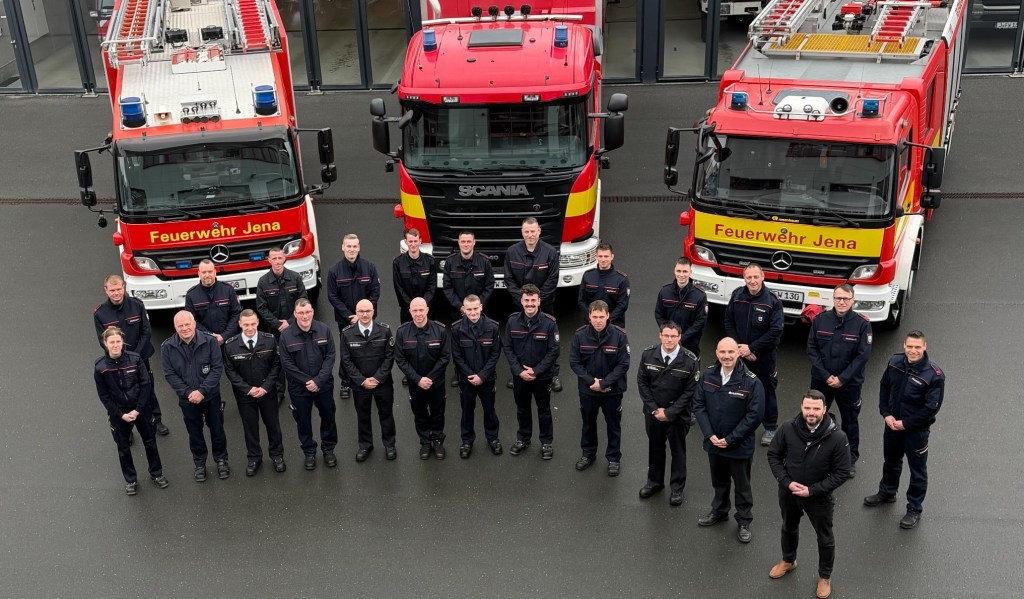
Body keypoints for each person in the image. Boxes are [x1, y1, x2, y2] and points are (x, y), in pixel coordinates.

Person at [767, 390, 853, 599]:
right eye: (807, 408)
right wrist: (786, 483)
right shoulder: (788, 428)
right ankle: (788, 560)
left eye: (816, 408)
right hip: (789, 493)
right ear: (801, 407)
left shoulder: (838, 437)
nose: (811, 412)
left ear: (824, 409)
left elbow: (842, 472)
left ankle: (824, 576)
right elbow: (774, 455)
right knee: (788, 527)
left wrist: (812, 490)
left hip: (819, 498)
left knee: (825, 538)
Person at [864, 330, 945, 530]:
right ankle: (887, 492)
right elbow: (884, 387)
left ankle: (914, 508)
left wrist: (906, 423)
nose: (913, 351)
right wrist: (886, 414)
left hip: (915, 431)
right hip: (892, 425)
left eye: (917, 347)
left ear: (924, 347)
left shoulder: (934, 375)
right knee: (891, 461)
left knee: (918, 471)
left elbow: (930, 408)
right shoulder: (894, 363)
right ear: (904, 346)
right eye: (909, 346)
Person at [692, 337, 765, 544]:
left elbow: (755, 416)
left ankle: (744, 521)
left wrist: (730, 439)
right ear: (717, 353)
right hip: (714, 444)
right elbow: (698, 405)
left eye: (731, 352)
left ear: (738, 353)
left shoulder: (751, 381)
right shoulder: (707, 375)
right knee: (719, 482)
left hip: (738, 447)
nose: (726, 356)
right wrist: (709, 434)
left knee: (742, 486)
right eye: (722, 352)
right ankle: (719, 511)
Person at [805, 284, 872, 475]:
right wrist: (826, 376)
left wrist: (842, 379)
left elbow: (862, 356)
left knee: (850, 421)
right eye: (838, 298)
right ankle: (814, 453)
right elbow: (812, 350)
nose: (841, 302)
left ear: (853, 301)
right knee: (814, 417)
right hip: (821, 381)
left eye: (845, 299)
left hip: (849, 384)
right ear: (833, 299)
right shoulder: (820, 320)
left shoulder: (862, 324)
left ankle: (849, 460)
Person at [94, 327, 168, 495]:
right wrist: (120, 414)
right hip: (118, 414)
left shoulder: (135, 359)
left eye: (118, 341)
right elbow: (104, 396)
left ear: (122, 342)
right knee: (123, 448)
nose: (115, 345)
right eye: (111, 342)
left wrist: (138, 410)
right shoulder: (100, 368)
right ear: (105, 344)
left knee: (150, 442)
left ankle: (157, 474)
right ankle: (131, 480)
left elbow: (145, 385)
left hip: (141, 411)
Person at [93, 274, 169, 435]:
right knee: (119, 393)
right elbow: (103, 341)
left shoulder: (137, 305)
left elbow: (146, 332)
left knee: (147, 388)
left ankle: (156, 420)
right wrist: (123, 356)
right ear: (106, 290)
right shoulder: (100, 314)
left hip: (141, 358)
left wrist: (133, 357)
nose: (116, 293)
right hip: (116, 363)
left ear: (124, 287)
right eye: (112, 290)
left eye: (119, 289)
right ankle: (125, 427)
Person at [161, 310, 231, 482]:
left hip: (211, 397)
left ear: (193, 324)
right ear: (175, 327)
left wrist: (202, 391)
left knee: (217, 430)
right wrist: (188, 393)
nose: (185, 328)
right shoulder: (168, 347)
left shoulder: (209, 341)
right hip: (187, 400)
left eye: (187, 324)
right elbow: (170, 374)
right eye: (180, 325)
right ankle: (200, 464)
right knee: (194, 433)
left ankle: (221, 460)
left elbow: (216, 369)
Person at [636, 322, 699, 505]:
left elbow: (690, 392)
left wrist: (670, 413)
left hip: (678, 416)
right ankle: (654, 482)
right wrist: (655, 409)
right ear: (660, 336)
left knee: (678, 452)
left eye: (673, 336)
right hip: (654, 414)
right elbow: (642, 383)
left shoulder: (690, 360)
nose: (669, 339)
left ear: (679, 337)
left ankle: (677, 489)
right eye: (666, 335)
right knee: (655, 448)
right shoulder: (648, 355)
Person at [724, 262, 783, 446]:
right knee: (736, 389)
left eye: (755, 277)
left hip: (763, 356)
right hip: (740, 354)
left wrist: (752, 348)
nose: (752, 281)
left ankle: (770, 427)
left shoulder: (772, 301)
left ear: (763, 277)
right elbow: (728, 321)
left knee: (766, 390)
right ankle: (737, 425)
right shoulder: (737, 296)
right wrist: (740, 349)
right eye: (748, 277)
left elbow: (775, 331)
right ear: (744, 278)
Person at [570, 300, 631, 477]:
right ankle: (588, 454)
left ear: (608, 316)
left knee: (613, 424)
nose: (598, 321)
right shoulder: (580, 335)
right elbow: (574, 362)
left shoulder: (619, 336)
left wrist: (603, 384)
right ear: (589, 317)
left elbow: (623, 364)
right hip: (588, 390)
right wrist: (592, 382)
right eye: (595, 317)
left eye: (601, 317)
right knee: (588, 423)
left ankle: (613, 459)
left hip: (613, 391)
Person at [223, 310, 285, 476]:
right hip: (245, 396)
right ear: (240, 324)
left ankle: (277, 455)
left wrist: (265, 387)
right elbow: (230, 372)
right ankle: (254, 457)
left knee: (273, 425)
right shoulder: (230, 345)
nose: (249, 328)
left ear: (257, 323)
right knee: (250, 427)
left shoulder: (269, 340)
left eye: (252, 324)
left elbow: (276, 366)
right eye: (246, 324)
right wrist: (248, 389)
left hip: (267, 393)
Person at [278, 298, 338, 471]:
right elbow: (287, 364)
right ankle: (309, 452)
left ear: (312, 312)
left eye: (308, 312)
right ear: (295, 314)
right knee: (303, 422)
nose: (305, 316)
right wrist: (306, 381)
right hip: (299, 389)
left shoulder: (324, 330)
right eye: (301, 313)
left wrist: (318, 381)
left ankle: (328, 450)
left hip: (323, 386)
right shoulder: (286, 336)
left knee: (328, 418)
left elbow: (330, 356)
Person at [502, 284, 560, 460]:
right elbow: (508, 348)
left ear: (539, 301)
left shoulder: (549, 323)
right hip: (520, 376)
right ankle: (523, 439)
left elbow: (554, 351)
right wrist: (519, 371)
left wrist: (536, 370)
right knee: (522, 408)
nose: (529, 304)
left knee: (544, 409)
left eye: (533, 300)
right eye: (526, 300)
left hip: (542, 376)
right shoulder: (512, 321)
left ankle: (546, 443)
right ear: (521, 301)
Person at [338, 299, 397, 462]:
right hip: (360, 385)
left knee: (386, 414)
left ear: (373, 312)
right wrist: (362, 380)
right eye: (361, 311)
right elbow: (346, 360)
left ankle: (389, 445)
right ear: (356, 313)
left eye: (368, 311)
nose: (364, 314)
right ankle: (365, 445)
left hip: (382, 383)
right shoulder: (347, 333)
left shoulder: (385, 331)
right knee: (362, 415)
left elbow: (389, 357)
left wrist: (377, 378)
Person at [395, 297, 451, 460]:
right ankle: (425, 442)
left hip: (436, 383)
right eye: (415, 310)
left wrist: (430, 378)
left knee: (438, 412)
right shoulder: (402, 332)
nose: (418, 313)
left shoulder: (440, 330)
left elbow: (445, 357)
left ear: (427, 310)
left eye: (421, 310)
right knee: (419, 413)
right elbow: (400, 359)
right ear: (410, 312)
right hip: (415, 383)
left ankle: (437, 440)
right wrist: (418, 379)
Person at [327, 233, 381, 400]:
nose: (351, 249)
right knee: (347, 351)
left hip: (367, 319)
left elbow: (375, 292)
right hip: (346, 320)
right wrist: (350, 316)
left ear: (359, 248)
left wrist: (364, 313)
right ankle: (345, 381)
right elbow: (332, 296)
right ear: (343, 247)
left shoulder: (369, 267)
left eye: (354, 246)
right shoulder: (334, 271)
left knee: (370, 349)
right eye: (348, 246)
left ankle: (370, 377)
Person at [450, 294, 503, 458]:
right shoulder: (457, 329)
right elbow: (457, 356)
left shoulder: (493, 327)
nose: (472, 312)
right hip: (466, 380)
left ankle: (493, 439)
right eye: (469, 309)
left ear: (481, 307)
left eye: (475, 308)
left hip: (487, 379)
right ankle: (467, 442)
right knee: (467, 411)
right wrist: (470, 375)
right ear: (464, 310)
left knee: (490, 410)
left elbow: (495, 354)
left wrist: (482, 375)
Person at [255, 246, 308, 402]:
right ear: (269, 260)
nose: (277, 261)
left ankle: (300, 387)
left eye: (280, 258)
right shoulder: (263, 282)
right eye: (274, 258)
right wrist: (278, 324)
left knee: (299, 357)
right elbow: (261, 307)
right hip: (275, 329)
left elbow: (303, 301)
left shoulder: (295, 278)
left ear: (284, 259)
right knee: (277, 360)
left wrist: (291, 321)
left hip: (295, 326)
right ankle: (279, 392)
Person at [654, 258, 708, 357]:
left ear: (690, 273)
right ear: (674, 271)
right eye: (679, 271)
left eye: (685, 271)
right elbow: (658, 314)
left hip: (690, 343)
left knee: (691, 371)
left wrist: (681, 337)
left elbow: (701, 321)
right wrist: (669, 333)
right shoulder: (665, 291)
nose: (681, 275)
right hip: (669, 341)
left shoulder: (699, 295)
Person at [505, 217, 559, 315]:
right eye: (526, 232)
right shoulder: (511, 252)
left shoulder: (551, 252)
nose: (530, 235)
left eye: (533, 231)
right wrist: (523, 299)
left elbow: (553, 279)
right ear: (522, 232)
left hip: (544, 305)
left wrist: (537, 300)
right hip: (519, 304)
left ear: (539, 231)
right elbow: (509, 279)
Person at [184, 259, 243, 345]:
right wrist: (210, 336)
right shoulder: (191, 295)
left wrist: (225, 335)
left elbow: (237, 314)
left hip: (230, 341)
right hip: (204, 343)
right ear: (199, 274)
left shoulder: (228, 290)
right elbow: (192, 321)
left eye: (210, 271)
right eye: (204, 272)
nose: (207, 275)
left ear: (215, 272)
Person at [441, 231, 494, 319]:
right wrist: (460, 307)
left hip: (479, 313)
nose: (466, 244)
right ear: (459, 243)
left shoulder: (484, 262)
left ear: (474, 242)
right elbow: (447, 287)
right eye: (463, 241)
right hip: (458, 312)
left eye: (469, 241)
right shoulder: (450, 262)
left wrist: (476, 307)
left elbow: (489, 286)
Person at [578, 242, 630, 328]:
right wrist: (593, 319)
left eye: (606, 256)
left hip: (614, 326)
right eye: (600, 256)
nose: (603, 259)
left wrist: (605, 320)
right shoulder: (588, 276)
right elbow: (581, 301)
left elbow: (622, 306)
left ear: (612, 257)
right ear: (596, 257)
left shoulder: (621, 279)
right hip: (591, 325)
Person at [392, 228, 437, 325]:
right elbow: (399, 288)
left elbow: (432, 287)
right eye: (410, 241)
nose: (413, 244)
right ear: (405, 242)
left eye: (415, 241)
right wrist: (411, 307)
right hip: (407, 311)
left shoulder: (430, 261)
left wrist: (422, 307)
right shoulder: (398, 263)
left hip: (426, 311)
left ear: (420, 241)